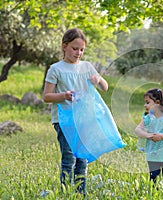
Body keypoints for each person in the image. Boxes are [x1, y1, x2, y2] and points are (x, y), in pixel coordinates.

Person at [43, 28, 108, 195]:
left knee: (82, 159)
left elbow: (105, 87)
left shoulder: (87, 67)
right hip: (64, 120)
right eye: (75, 48)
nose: (78, 53)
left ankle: (81, 194)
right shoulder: (56, 69)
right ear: (64, 46)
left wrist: (98, 79)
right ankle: (66, 193)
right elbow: (46, 96)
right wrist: (64, 95)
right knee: (69, 158)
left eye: (82, 49)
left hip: (84, 119)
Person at [135, 88, 163, 184]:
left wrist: (161, 136)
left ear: (157, 102)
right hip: (153, 154)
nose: (145, 105)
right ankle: (154, 193)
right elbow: (137, 129)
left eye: (147, 102)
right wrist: (148, 135)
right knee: (153, 178)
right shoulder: (148, 118)